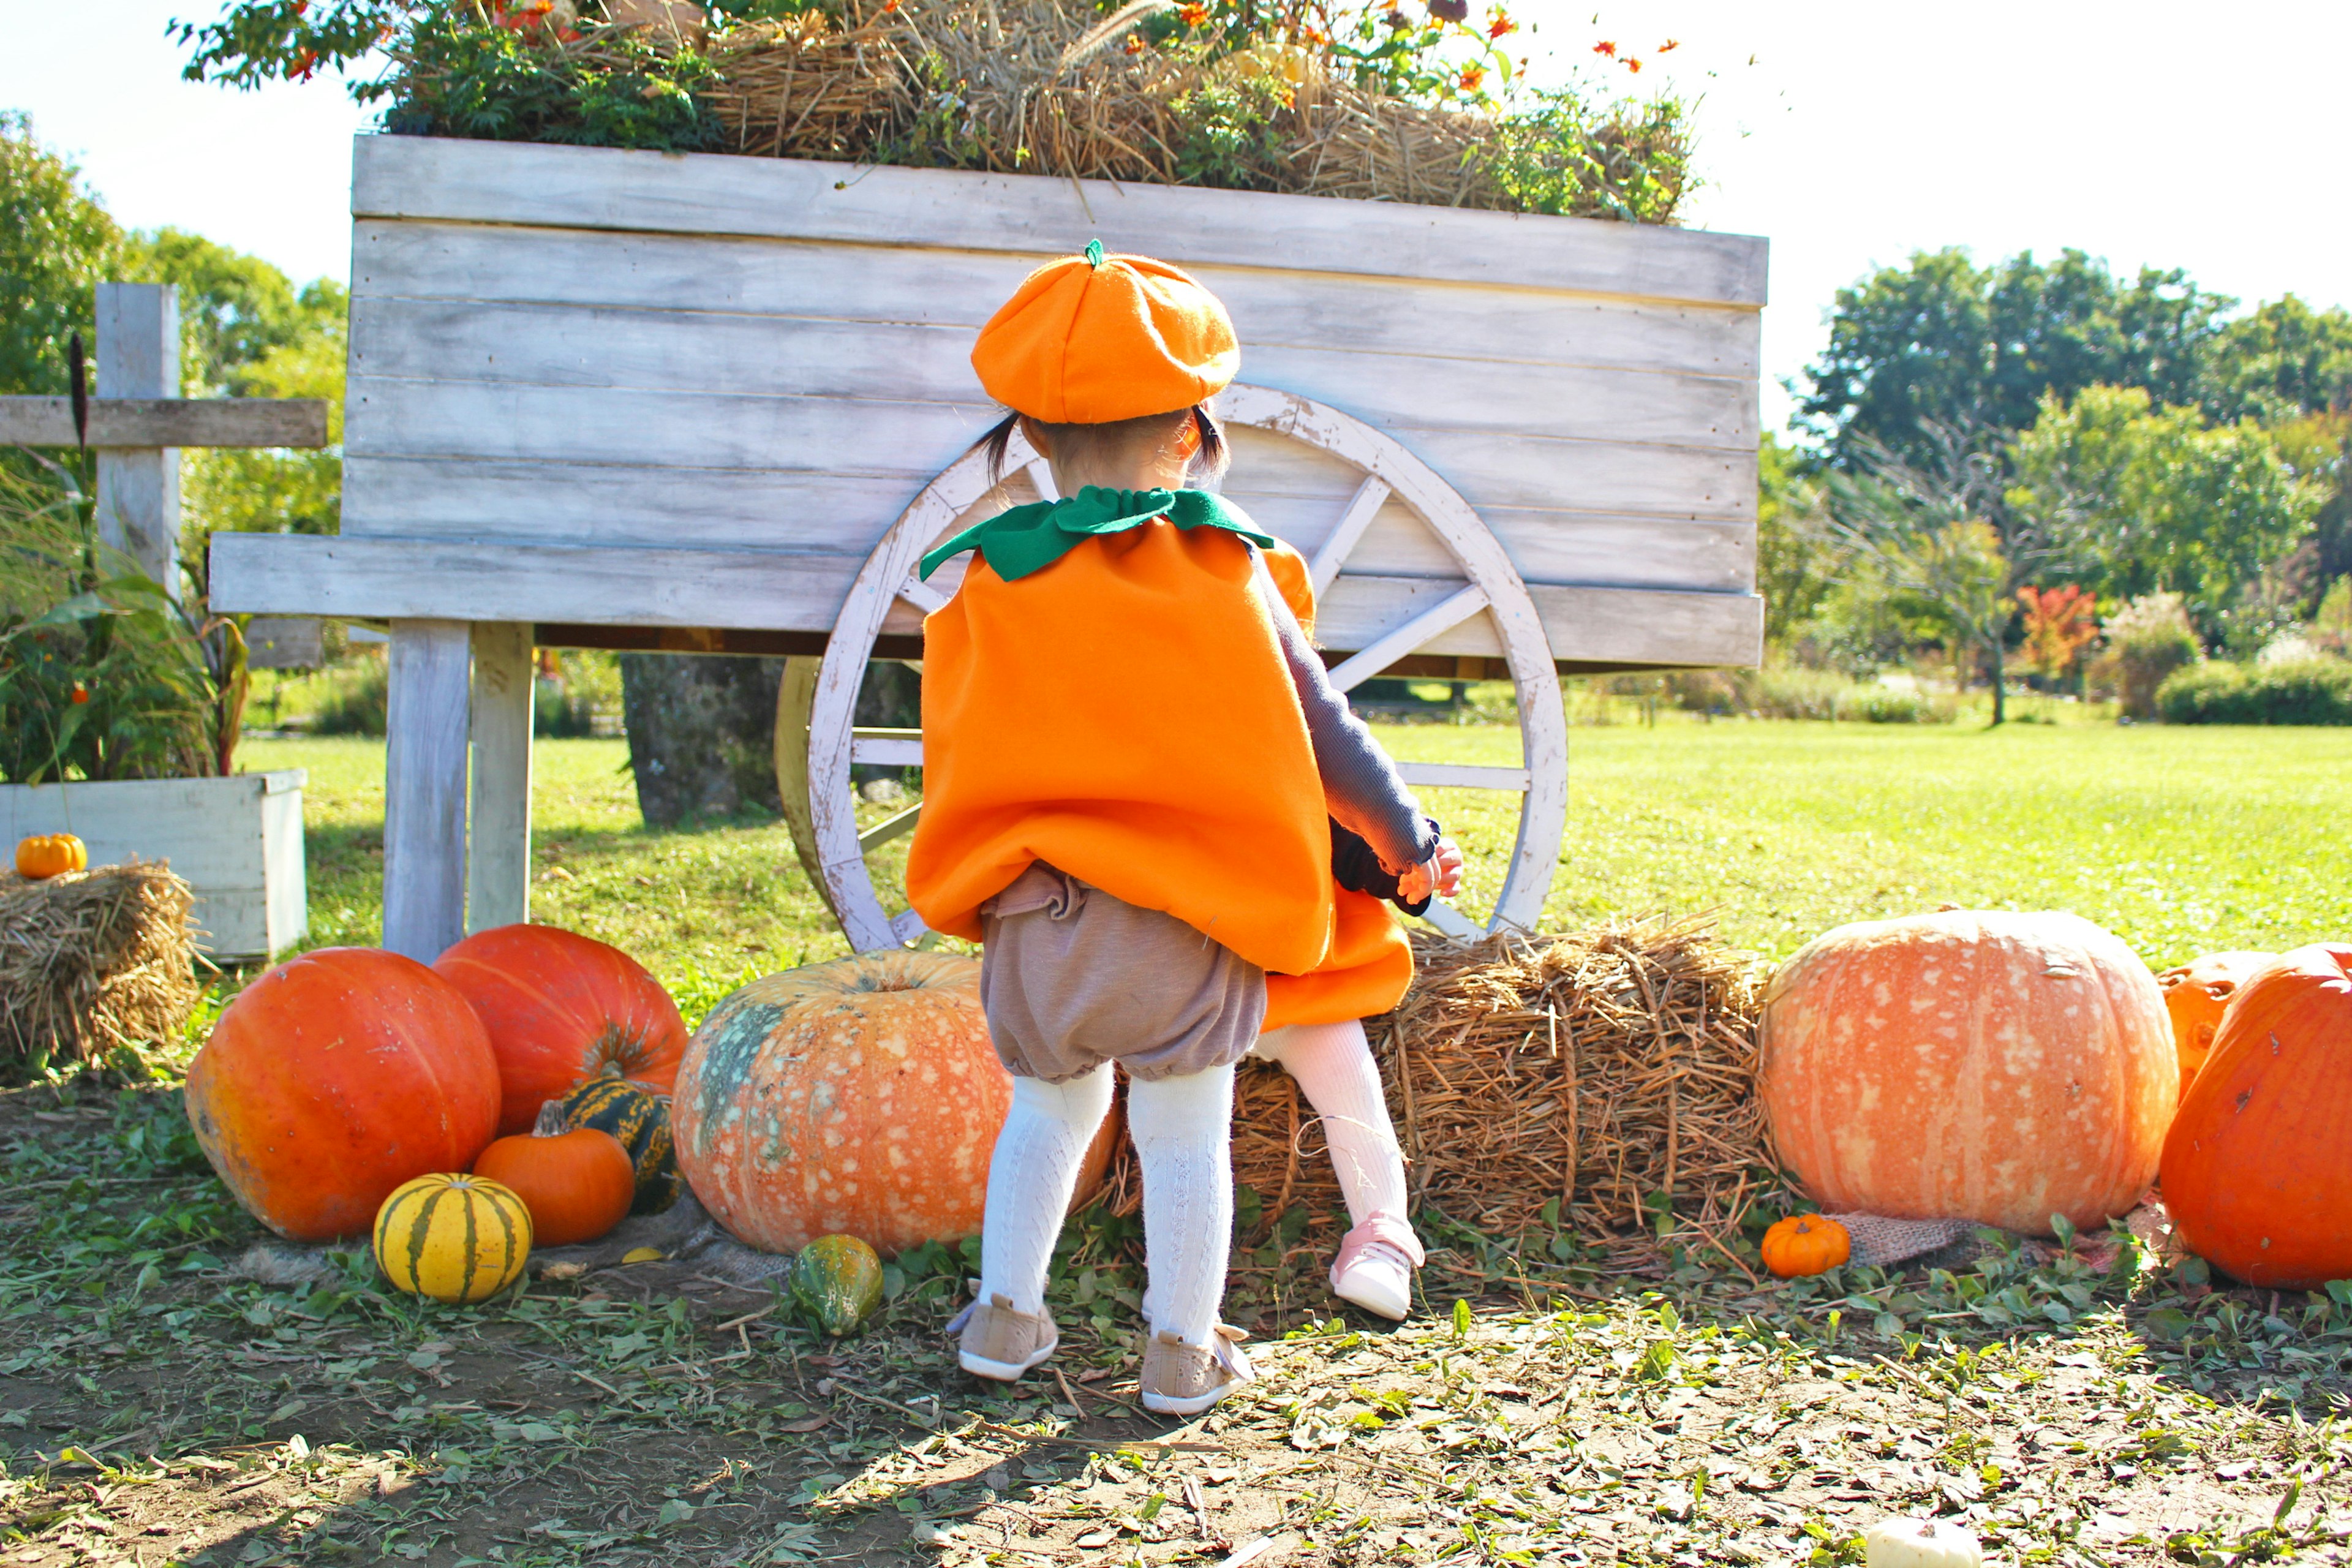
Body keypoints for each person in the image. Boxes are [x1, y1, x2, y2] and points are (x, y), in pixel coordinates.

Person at [908, 242, 1460, 1415]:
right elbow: (1324, 727)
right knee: (1181, 1137)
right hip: (1178, 928)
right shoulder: (1227, 572)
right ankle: (1182, 1349)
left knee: (1047, 1115)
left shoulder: (988, 584)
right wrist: (1404, 839)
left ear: (1036, 442)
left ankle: (1005, 1320)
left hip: (1038, 927)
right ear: (1189, 436)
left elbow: (964, 745)